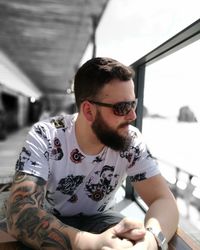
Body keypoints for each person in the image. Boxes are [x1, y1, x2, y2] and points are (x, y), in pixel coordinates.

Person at [5, 57, 179, 249]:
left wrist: (150, 241)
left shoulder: (131, 140)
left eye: (133, 104)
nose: (133, 116)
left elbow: (162, 199)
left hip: (100, 218)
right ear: (88, 110)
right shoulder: (45, 135)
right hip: (47, 218)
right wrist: (90, 244)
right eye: (122, 107)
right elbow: (19, 213)